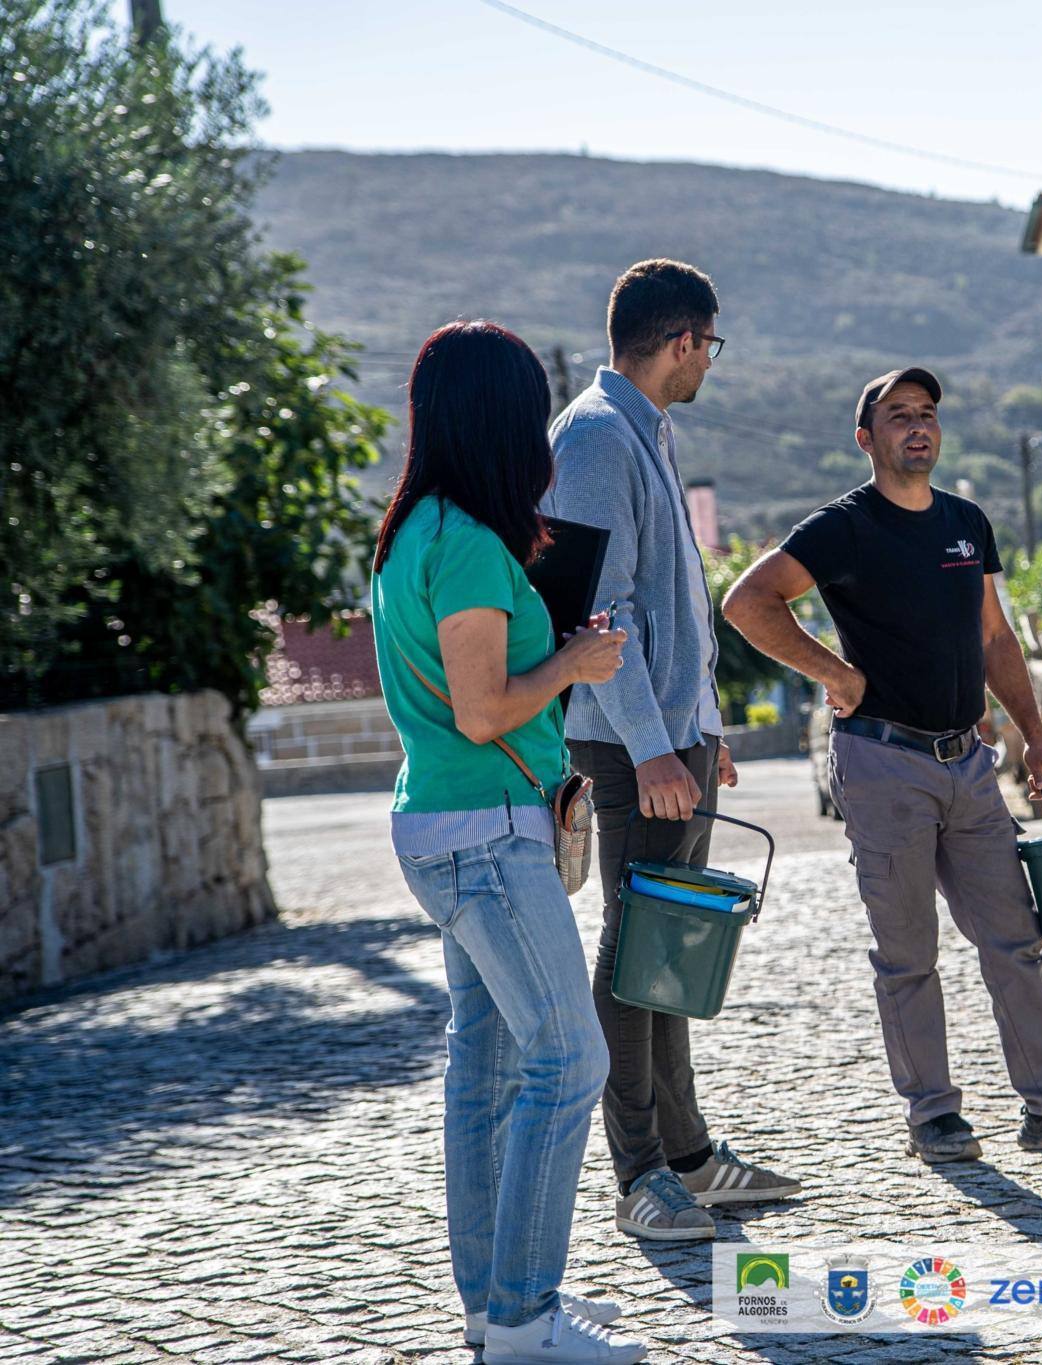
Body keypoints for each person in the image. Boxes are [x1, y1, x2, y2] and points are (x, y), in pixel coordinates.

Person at [723, 366, 1042, 1163]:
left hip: (969, 763)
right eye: (898, 415)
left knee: (1014, 936)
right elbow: (747, 602)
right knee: (907, 951)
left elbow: (994, 637)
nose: (918, 426)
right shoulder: (842, 527)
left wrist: (1035, 735)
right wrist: (834, 674)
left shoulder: (965, 522)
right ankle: (934, 1113)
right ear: (866, 438)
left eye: (927, 413)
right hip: (883, 763)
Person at [370, 320, 644, 1364]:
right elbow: (485, 711)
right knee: (570, 1063)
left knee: (483, 1075)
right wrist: (574, 660)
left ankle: (495, 1311)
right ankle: (526, 1319)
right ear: (502, 419)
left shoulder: (414, 533)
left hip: (444, 824)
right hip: (485, 829)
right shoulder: (474, 545)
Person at [545, 258, 799, 1240]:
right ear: (682, 340)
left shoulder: (641, 428)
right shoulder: (598, 439)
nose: (709, 366)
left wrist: (704, 731)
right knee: (634, 954)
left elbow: (667, 604)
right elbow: (596, 614)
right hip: (625, 749)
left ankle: (687, 1158)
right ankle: (640, 1176)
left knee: (669, 951)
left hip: (670, 740)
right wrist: (654, 749)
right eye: (709, 347)